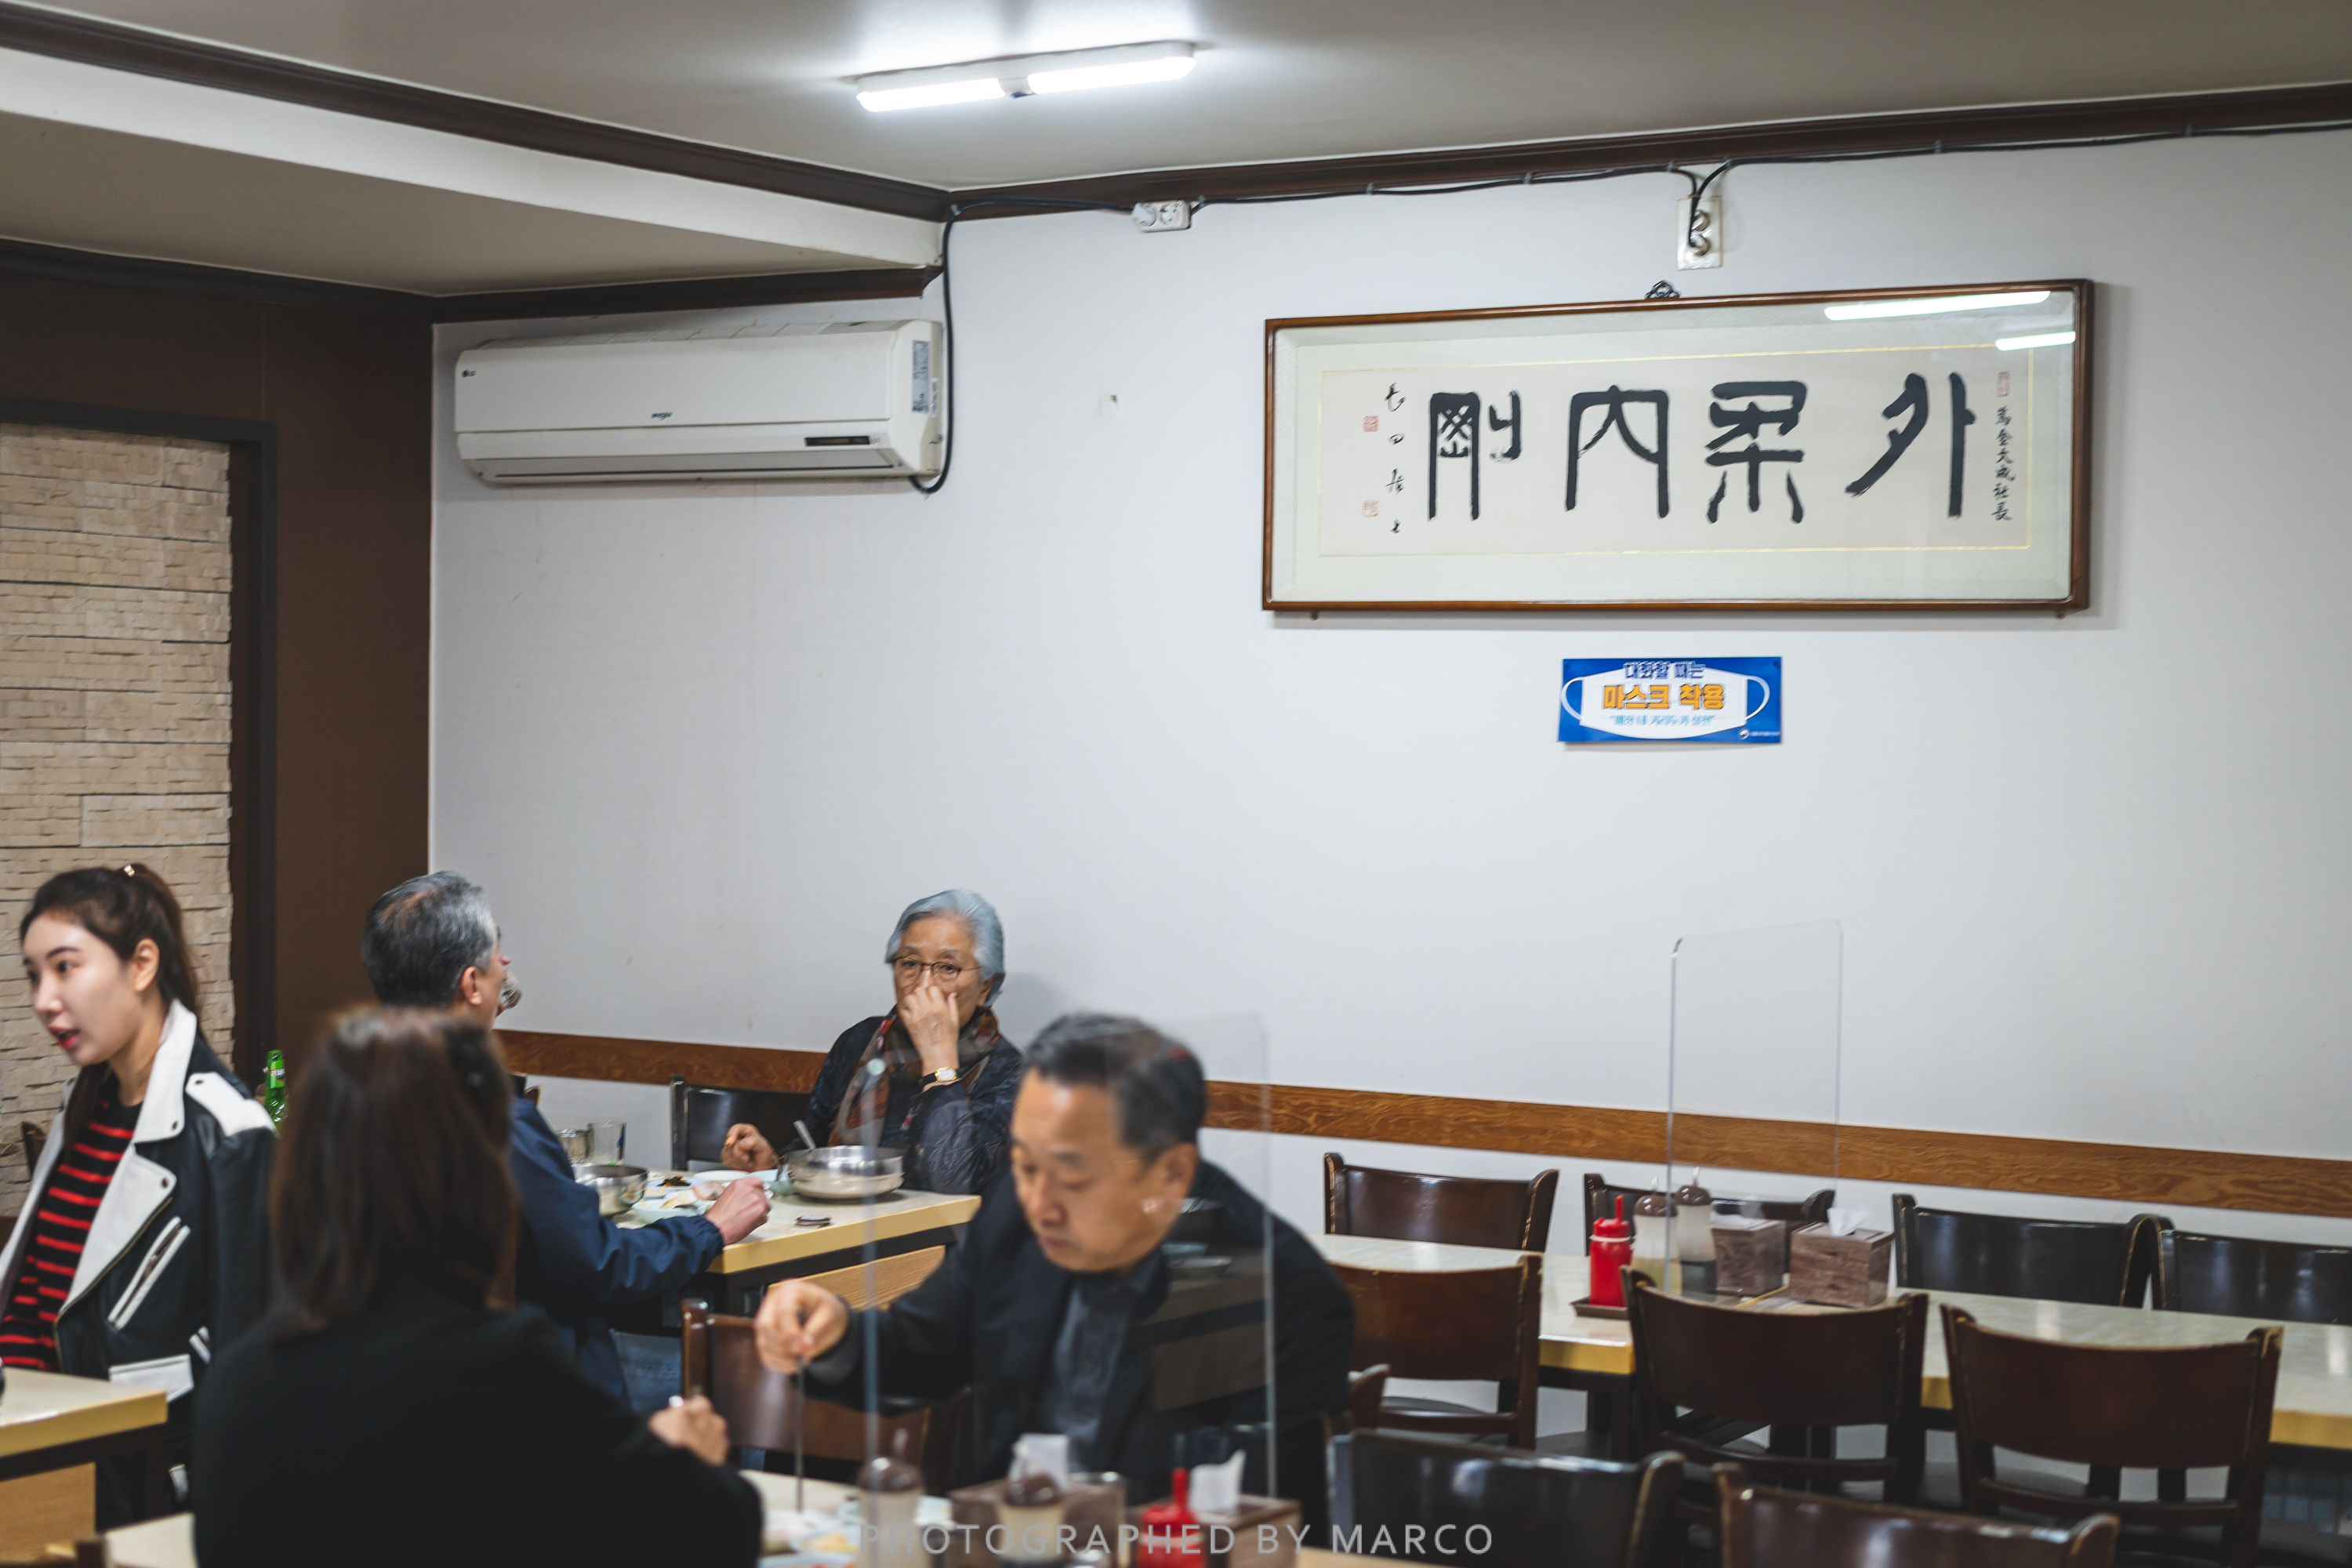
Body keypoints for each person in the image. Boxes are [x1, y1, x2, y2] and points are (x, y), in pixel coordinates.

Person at [191, 1010, 761, 1568]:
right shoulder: (504, 1364)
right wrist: (682, 1460)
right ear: (475, 1179)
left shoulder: (240, 1379)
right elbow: (717, 1531)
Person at [753, 1013, 1352, 1527]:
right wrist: (836, 1333)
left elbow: (1265, 1530)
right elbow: (922, 1348)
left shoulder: (1274, 1291)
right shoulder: (1017, 1218)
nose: (1039, 1203)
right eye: (1025, 1163)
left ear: (1171, 1174)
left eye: (1071, 1176)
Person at [361, 873, 770, 1403]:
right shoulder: (493, 1123)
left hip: (403, 1389)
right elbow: (601, 1267)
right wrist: (710, 1229)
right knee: (753, 1382)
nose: (505, 962)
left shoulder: (354, 1106)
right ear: (471, 985)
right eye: (495, 950)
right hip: (536, 1393)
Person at [3, 865, 275, 1525]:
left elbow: (252, 1363)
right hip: (39, 1457)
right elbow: (36, 1294)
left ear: (142, 965)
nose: (44, 999)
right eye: (35, 975)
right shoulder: (82, 1106)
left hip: (145, 1492)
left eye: (66, 968)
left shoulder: (228, 1132)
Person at [720, 890, 1021, 1194]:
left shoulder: (1010, 1072)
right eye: (910, 963)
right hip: (840, 1219)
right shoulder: (860, 1041)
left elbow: (957, 1180)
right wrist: (771, 1166)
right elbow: (815, 1147)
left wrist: (938, 1060)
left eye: (947, 968)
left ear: (985, 987)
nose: (923, 984)